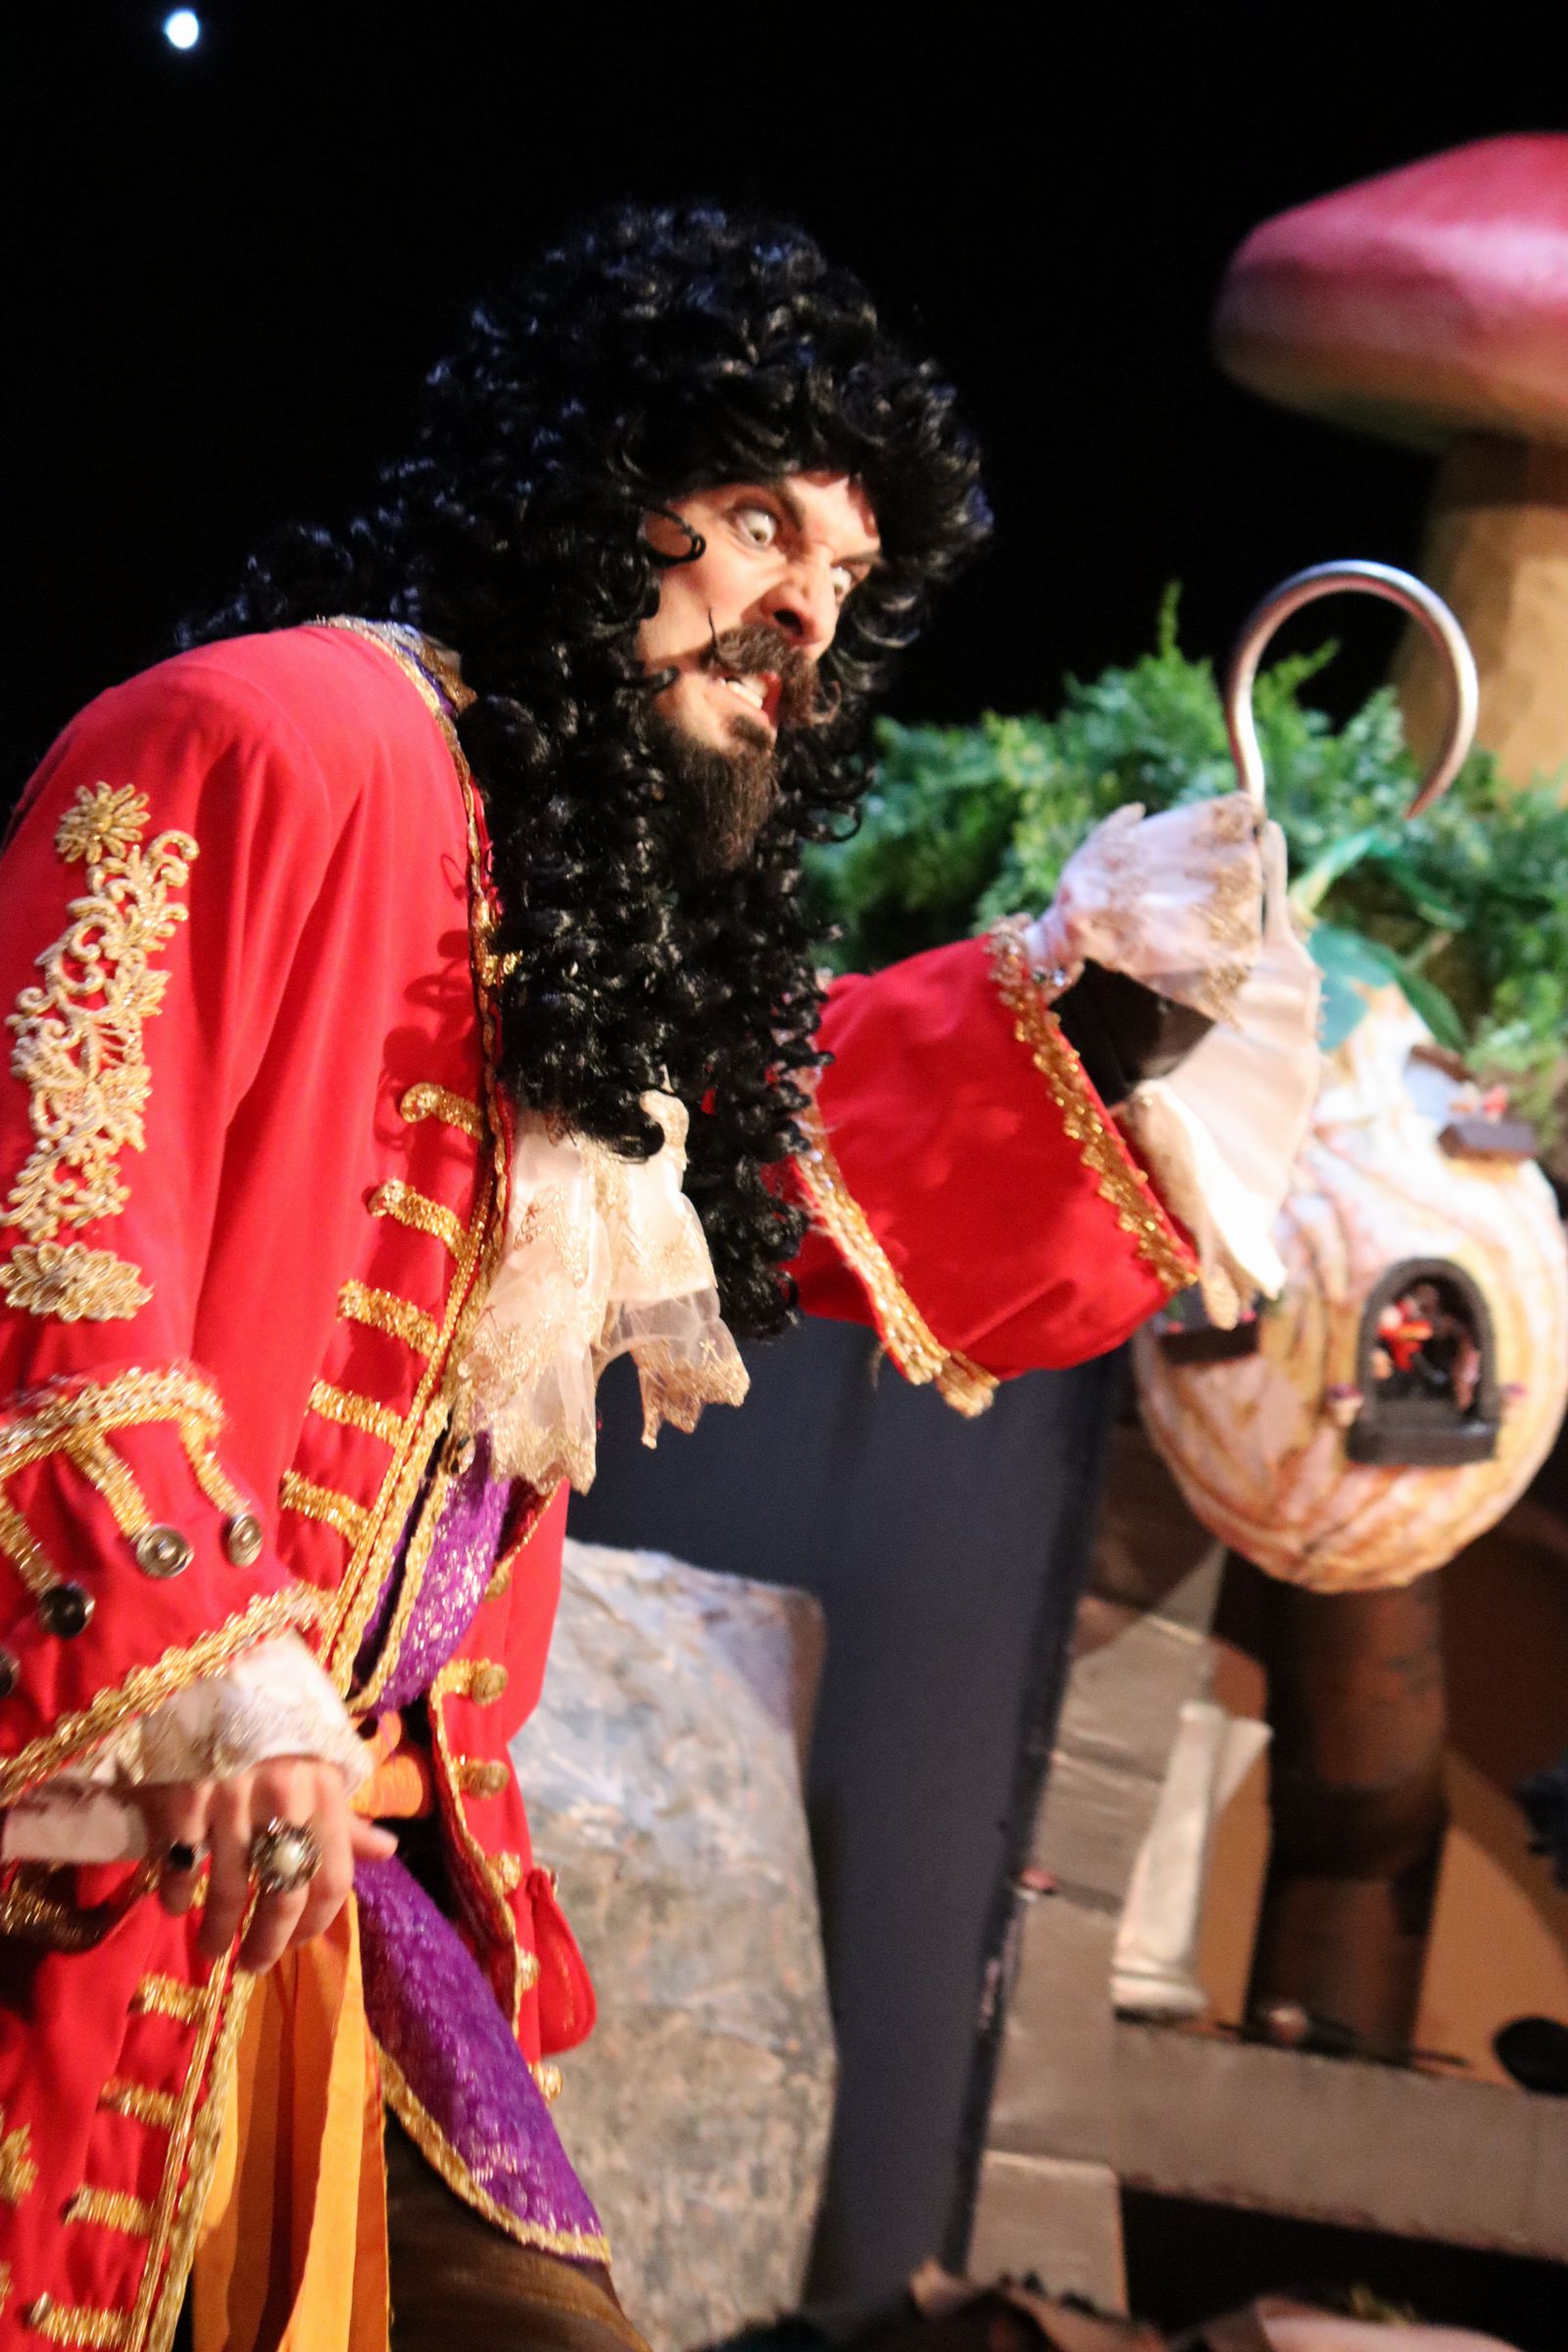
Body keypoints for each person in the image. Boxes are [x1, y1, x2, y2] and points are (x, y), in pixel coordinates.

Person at [0, 207, 1317, 2349]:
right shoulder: (266, 741)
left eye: (843, 583)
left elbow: (772, 1154)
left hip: (354, 1894)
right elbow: (53, 1225)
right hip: (107, 1824)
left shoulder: (568, 883)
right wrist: (195, 1650)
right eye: (757, 524)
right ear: (582, 489)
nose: (798, 614)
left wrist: (1096, 1013)